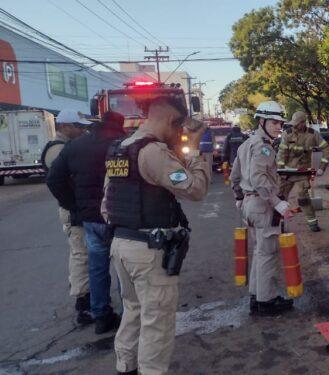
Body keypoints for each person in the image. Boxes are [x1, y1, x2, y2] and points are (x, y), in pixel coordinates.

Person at [102, 97, 210, 375]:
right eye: (180, 130)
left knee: (133, 310)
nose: (180, 136)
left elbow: (107, 204)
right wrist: (196, 149)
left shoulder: (120, 149)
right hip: (148, 252)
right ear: (170, 121)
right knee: (157, 322)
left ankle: (125, 367)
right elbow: (193, 188)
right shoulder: (153, 153)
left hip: (121, 245)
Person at [47, 111, 126, 334]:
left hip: (90, 219)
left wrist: (73, 205)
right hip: (118, 216)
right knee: (122, 267)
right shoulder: (122, 144)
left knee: (97, 267)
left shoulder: (74, 147)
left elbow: (54, 179)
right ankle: (129, 315)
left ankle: (101, 316)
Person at [230, 101, 296, 316]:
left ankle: (257, 297)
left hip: (250, 205)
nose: (279, 126)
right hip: (262, 203)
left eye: (281, 123)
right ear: (262, 121)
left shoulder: (245, 144)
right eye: (274, 122)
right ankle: (266, 302)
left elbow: (235, 177)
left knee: (260, 252)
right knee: (267, 253)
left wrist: (240, 198)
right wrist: (278, 203)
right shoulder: (263, 146)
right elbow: (259, 178)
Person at [42, 109, 91, 326]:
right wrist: (73, 206)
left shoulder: (67, 147)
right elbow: (57, 183)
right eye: (78, 126)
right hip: (73, 211)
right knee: (81, 255)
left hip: (78, 209)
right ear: (64, 127)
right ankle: (83, 304)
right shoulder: (57, 150)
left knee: (86, 253)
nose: (82, 130)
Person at [276, 111, 329, 232]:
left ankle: (313, 224)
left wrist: (322, 167)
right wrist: (281, 170)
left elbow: (326, 148)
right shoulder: (287, 134)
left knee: (303, 199)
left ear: (303, 123)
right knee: (280, 199)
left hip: (302, 173)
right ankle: (278, 225)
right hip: (287, 173)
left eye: (297, 123)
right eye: (294, 123)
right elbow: (281, 153)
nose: (294, 126)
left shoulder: (313, 135)